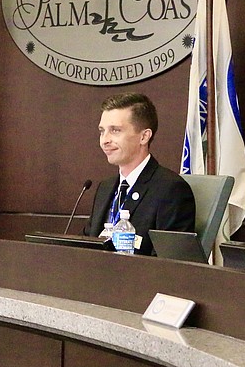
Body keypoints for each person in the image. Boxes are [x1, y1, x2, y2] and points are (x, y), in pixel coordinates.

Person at [83, 92, 196, 255]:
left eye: (115, 130)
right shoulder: (105, 188)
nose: (104, 140)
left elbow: (172, 264)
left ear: (144, 136)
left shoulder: (171, 190)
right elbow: (87, 244)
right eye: (102, 131)